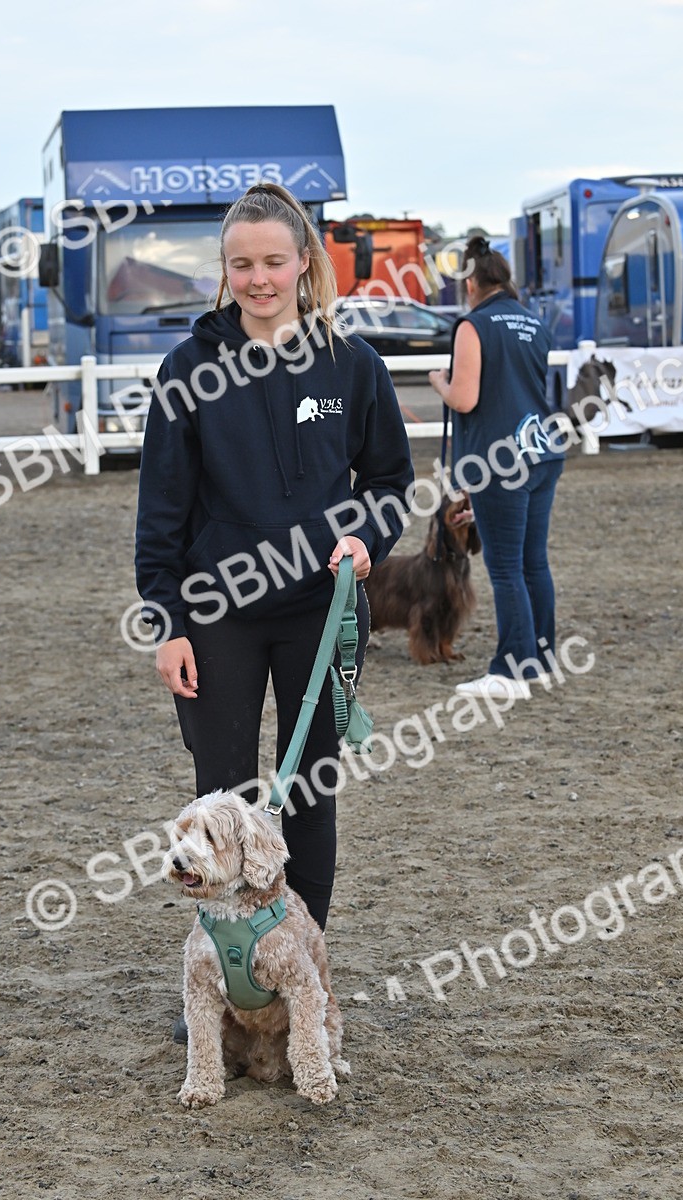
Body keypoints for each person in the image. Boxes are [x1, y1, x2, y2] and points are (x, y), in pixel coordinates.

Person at [136, 182, 414, 941]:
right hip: (215, 616)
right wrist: (167, 625)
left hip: (317, 619)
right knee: (222, 802)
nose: (258, 278)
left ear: (303, 263)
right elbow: (159, 514)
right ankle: (227, 972)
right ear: (224, 269)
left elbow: (391, 480)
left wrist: (366, 539)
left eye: (273, 261)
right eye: (241, 263)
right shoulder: (186, 372)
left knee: (309, 797)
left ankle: (302, 970)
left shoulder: (351, 365)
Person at [429, 235, 564, 700]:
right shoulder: (533, 322)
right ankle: (540, 660)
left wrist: (441, 384)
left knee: (505, 569)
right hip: (541, 450)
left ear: (470, 284)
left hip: (498, 460)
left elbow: (465, 397)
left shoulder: (474, 325)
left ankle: (510, 670)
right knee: (533, 563)